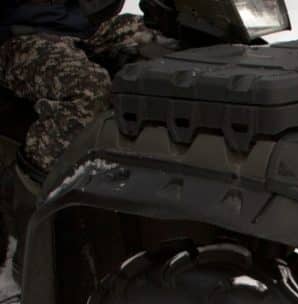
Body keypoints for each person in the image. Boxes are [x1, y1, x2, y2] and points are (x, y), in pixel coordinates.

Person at [0, 1, 170, 177]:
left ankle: (160, 160)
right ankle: (37, 178)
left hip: (84, 29)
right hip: (23, 37)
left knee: (167, 40)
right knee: (90, 88)